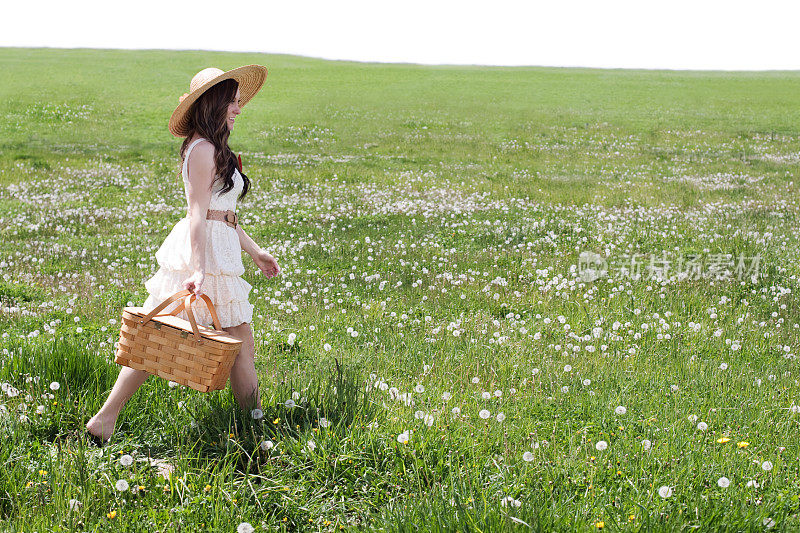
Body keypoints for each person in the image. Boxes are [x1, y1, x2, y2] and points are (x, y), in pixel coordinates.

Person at [86, 65, 280, 443]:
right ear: (214, 103)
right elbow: (197, 214)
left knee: (228, 345)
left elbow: (222, 215)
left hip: (219, 251)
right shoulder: (203, 149)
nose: (238, 110)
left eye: (240, 104)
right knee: (156, 338)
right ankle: (252, 430)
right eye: (232, 104)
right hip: (200, 254)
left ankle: (251, 427)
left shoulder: (216, 148)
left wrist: (255, 251)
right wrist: (198, 268)